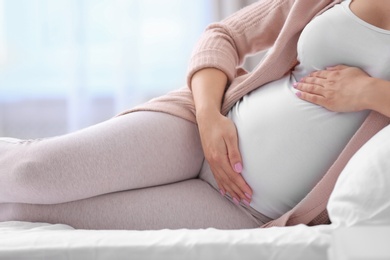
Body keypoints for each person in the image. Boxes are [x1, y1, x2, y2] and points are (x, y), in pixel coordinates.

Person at [0, 0, 389, 230]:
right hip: (199, 128)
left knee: (27, 212)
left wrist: (370, 92)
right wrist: (208, 118)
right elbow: (225, 35)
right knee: (29, 173)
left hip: (248, 209)